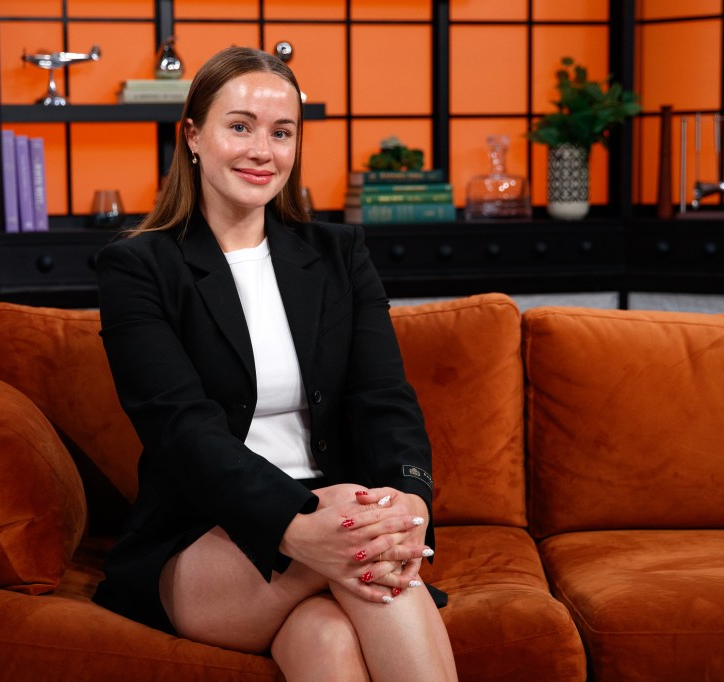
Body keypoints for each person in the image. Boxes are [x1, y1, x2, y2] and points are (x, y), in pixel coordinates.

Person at [92, 45, 457, 681]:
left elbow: (385, 400)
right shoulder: (140, 268)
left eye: (281, 132)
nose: (263, 150)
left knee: (327, 639)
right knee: (361, 546)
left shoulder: (339, 253)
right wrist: (298, 523)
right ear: (194, 137)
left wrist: (409, 506)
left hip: (341, 520)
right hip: (205, 536)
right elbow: (183, 433)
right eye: (240, 126)